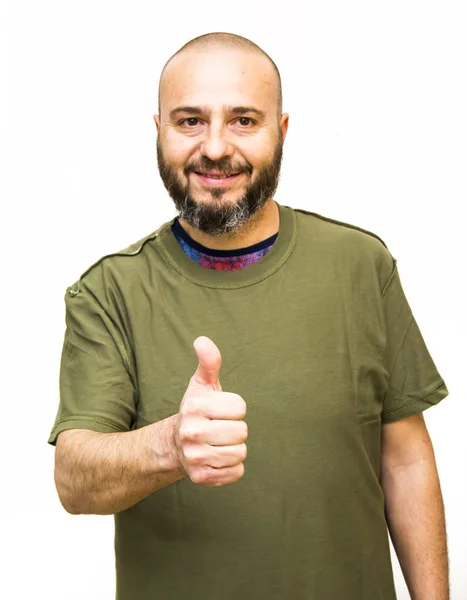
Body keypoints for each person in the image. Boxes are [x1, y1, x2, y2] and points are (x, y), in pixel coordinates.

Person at [48, 32, 450, 600]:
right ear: (158, 129)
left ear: (281, 132)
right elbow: (73, 480)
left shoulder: (363, 267)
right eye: (189, 121)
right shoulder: (108, 292)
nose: (215, 148)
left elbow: (406, 460)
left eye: (243, 120)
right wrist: (168, 447)